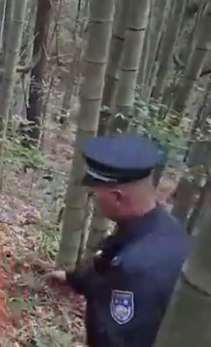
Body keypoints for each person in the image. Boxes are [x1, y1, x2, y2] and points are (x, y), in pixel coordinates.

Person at [46, 134, 190, 346]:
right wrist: (73, 279)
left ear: (117, 198)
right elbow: (107, 260)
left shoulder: (135, 270)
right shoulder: (159, 225)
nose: (95, 200)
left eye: (97, 194)